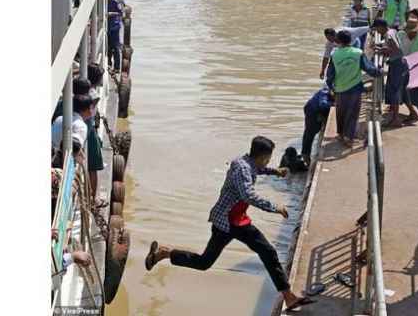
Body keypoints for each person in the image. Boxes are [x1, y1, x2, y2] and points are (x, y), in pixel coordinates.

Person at [143, 136, 316, 311]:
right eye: (268, 159)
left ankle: (289, 297)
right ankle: (164, 253)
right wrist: (275, 207)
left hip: (238, 221)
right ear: (263, 157)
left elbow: (257, 169)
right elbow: (248, 195)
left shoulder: (246, 162)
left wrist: (274, 171)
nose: (268, 161)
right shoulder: (242, 170)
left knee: (268, 252)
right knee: (204, 263)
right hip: (226, 222)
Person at [325, 31, 383, 146]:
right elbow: (368, 68)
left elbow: (330, 74)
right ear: (350, 40)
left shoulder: (334, 55)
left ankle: (341, 134)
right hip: (354, 88)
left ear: (338, 41)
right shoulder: (358, 53)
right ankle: (349, 137)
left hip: (340, 88)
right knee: (352, 113)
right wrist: (379, 72)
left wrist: (331, 87)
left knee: (340, 112)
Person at [371, 19, 416, 128]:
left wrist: (381, 51)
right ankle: (413, 113)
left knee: (394, 90)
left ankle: (396, 119)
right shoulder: (392, 31)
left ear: (381, 27)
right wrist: (381, 48)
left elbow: (396, 48)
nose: (377, 31)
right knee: (403, 91)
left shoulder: (388, 35)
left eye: (376, 28)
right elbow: (393, 47)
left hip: (397, 65)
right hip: (402, 63)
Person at [301, 86, 334, 164]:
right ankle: (305, 156)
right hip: (312, 111)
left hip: (318, 112)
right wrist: (334, 104)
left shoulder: (330, 93)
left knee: (314, 131)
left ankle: (305, 155)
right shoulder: (325, 93)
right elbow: (323, 104)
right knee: (310, 133)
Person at [108, 0, 125, 72]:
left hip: (114, 27)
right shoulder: (113, 2)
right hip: (111, 27)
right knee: (111, 47)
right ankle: (110, 64)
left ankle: (117, 67)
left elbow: (121, 13)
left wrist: (111, 14)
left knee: (115, 47)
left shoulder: (115, 2)